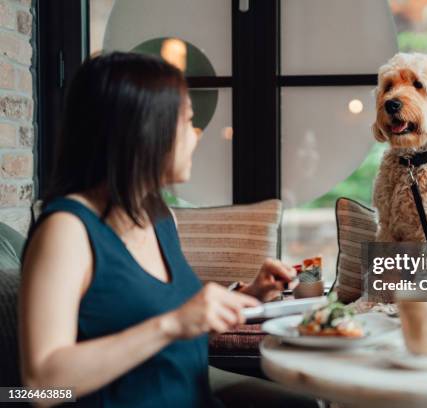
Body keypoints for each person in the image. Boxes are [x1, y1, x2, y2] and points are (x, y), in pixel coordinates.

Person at [19, 52, 317, 407]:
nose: (197, 135)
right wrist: (171, 324)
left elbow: (167, 316)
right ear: (144, 129)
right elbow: (39, 385)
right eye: (188, 121)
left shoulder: (160, 217)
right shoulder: (66, 232)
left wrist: (250, 297)